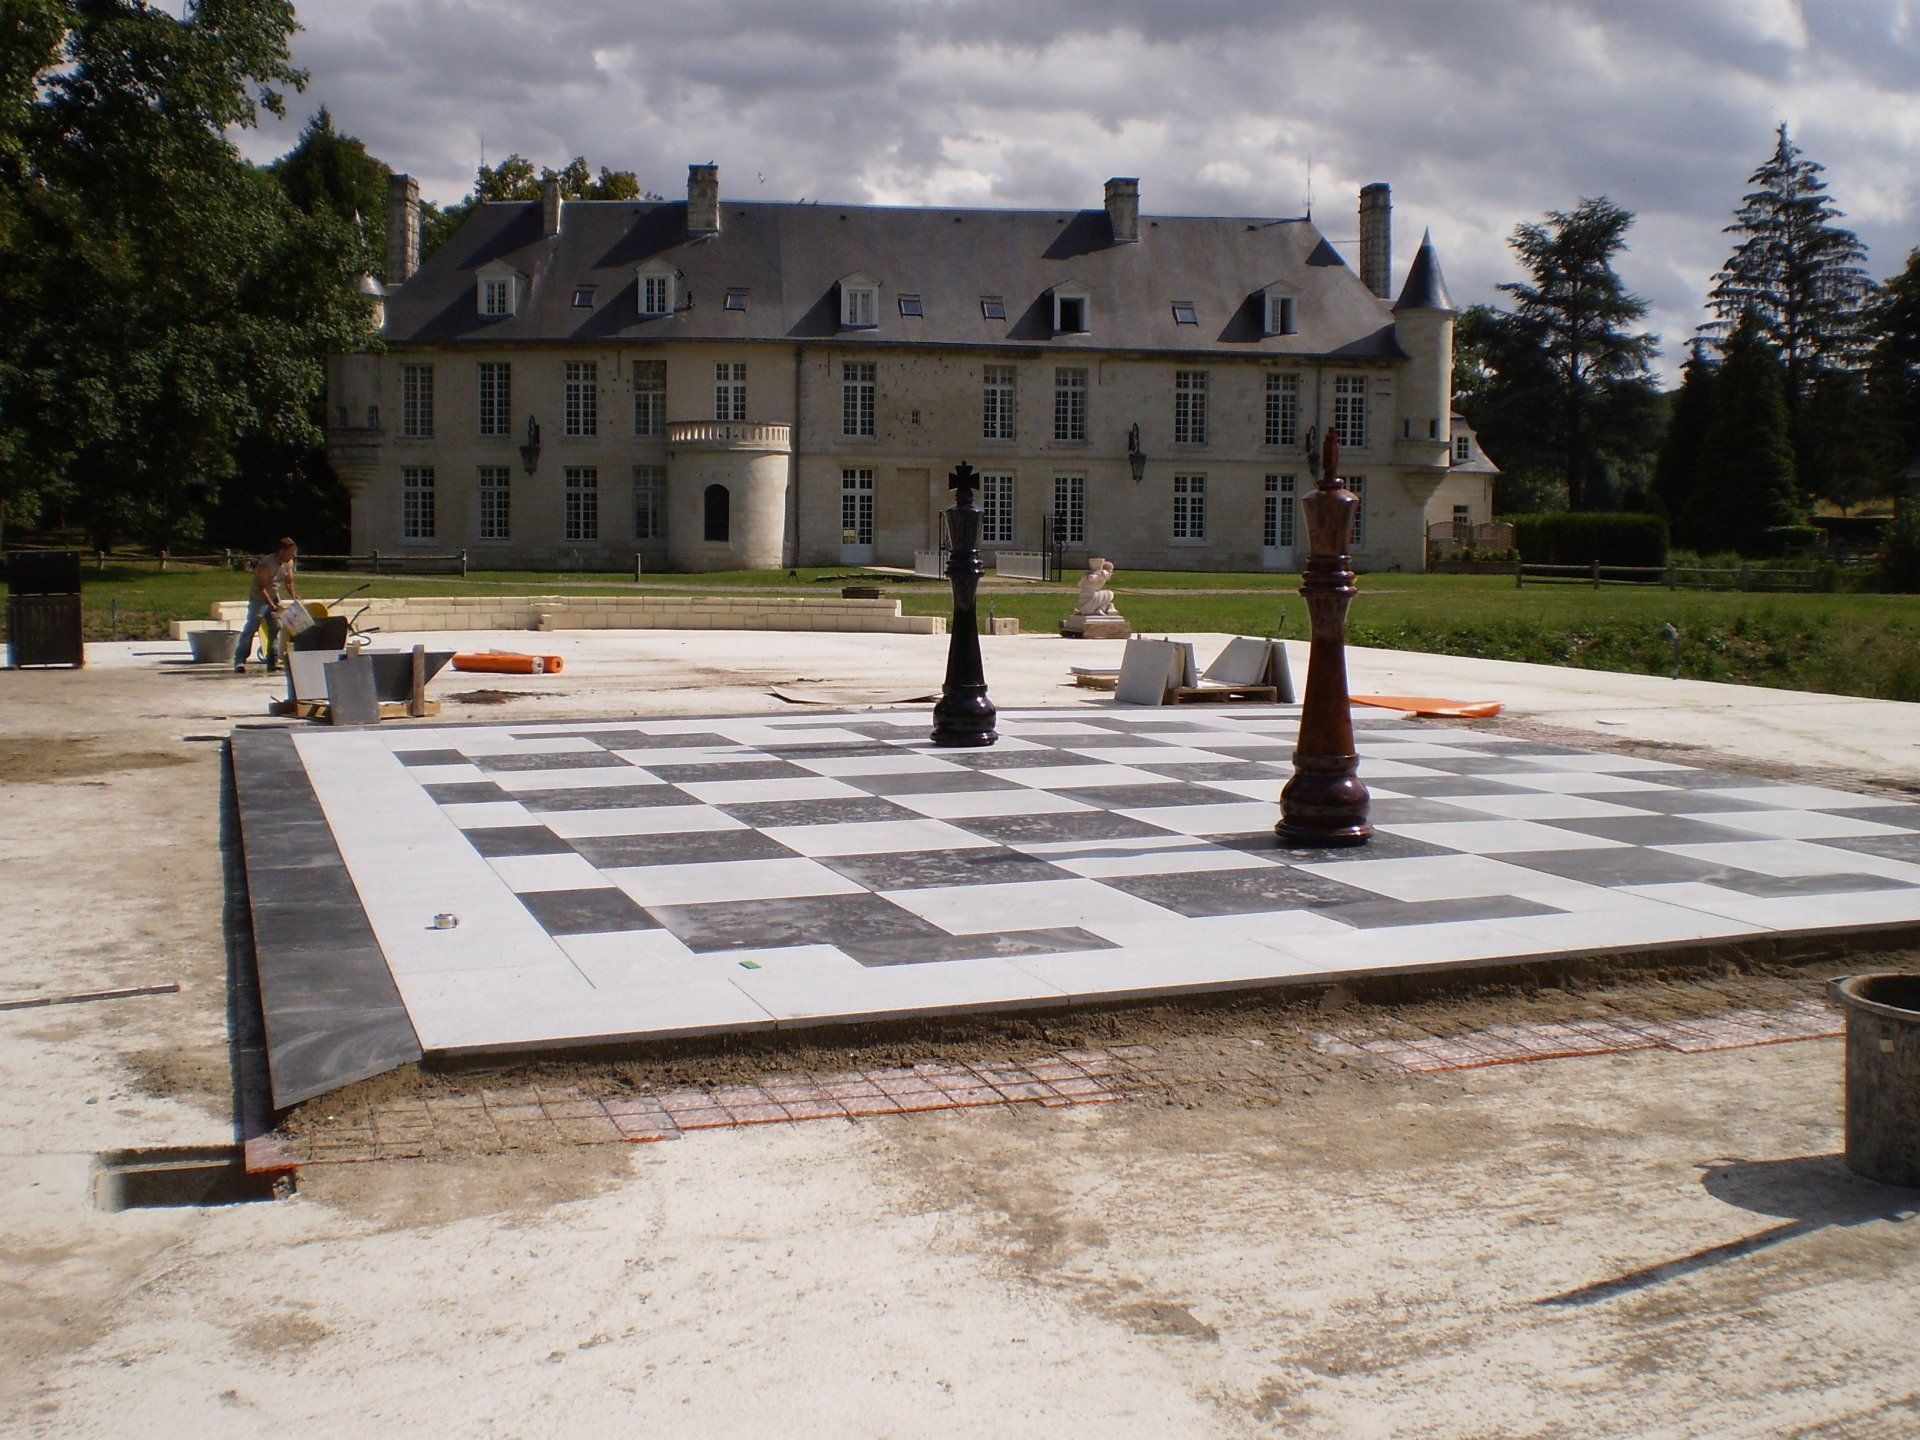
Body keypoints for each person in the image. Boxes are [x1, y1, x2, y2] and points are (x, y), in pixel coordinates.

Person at [233, 538, 300, 672]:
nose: (292, 557)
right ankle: (240, 660)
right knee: (252, 626)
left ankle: (272, 660)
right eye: (289, 553)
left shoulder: (288, 563)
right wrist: (271, 606)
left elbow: (289, 582)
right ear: (281, 552)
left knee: (276, 626)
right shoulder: (267, 564)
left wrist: (295, 597)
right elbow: (261, 587)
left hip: (274, 596)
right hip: (258, 598)